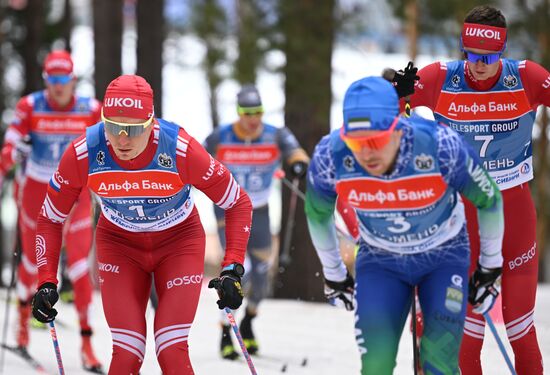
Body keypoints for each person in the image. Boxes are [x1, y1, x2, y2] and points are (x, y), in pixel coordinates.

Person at [30, 74, 253, 375]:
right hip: (119, 247)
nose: (122, 139)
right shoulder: (84, 152)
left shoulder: (180, 149)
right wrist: (46, 279)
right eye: (113, 126)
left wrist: (232, 268)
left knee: (171, 351)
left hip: (179, 243)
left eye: (133, 129)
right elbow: (50, 218)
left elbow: (237, 202)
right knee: (126, 354)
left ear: (151, 122)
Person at [305, 76, 505, 374]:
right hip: (381, 261)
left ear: (398, 128)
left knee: (439, 364)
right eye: (355, 142)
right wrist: (334, 273)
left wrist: (490, 266)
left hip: (443, 257)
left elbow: (489, 200)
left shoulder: (439, 145)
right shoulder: (330, 156)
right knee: (376, 365)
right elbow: (318, 214)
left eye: (375, 140)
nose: (366, 153)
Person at [392, 5, 550, 374]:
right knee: (465, 336)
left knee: (520, 328)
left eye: (489, 57)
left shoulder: (526, 77)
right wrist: (395, 94)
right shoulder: (440, 78)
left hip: (515, 216)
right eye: (472, 55)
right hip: (463, 222)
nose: (479, 65)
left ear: (503, 51)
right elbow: (383, 118)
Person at [0, 50, 103, 371]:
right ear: (46, 80)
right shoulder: (30, 106)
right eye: (52, 80)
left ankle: (87, 344)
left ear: (73, 80)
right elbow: (10, 143)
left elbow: (108, 146)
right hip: (36, 192)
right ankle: (22, 330)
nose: (58, 87)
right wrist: (14, 151)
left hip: (75, 194)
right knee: (32, 263)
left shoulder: (91, 109)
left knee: (79, 269)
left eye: (64, 80)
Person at [203, 84, 309, 359]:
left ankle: (248, 321)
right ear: (238, 112)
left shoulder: (275, 134)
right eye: (247, 112)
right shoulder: (222, 135)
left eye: (258, 111)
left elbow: (296, 151)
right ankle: (226, 332)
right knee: (240, 271)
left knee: (262, 275)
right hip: (227, 209)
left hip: (259, 210)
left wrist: (298, 164)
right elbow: (198, 157)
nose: (253, 118)